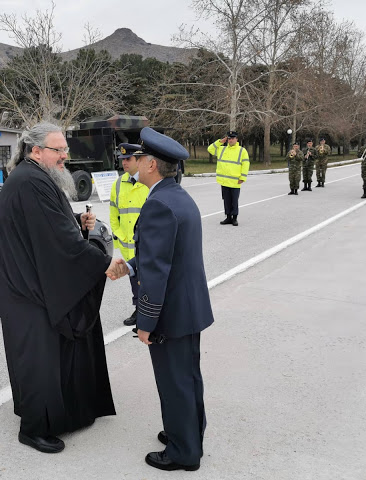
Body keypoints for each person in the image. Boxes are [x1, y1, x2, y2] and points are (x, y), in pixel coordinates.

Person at [0, 122, 118, 454]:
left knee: (47, 356)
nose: (64, 156)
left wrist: (77, 223)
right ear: (35, 150)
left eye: (65, 149)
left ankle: (56, 414)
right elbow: (56, 239)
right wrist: (102, 263)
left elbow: (43, 228)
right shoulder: (31, 181)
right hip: (26, 289)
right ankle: (33, 429)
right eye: (58, 150)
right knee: (38, 360)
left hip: (29, 281)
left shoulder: (32, 177)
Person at [112, 127, 214, 472]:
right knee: (187, 377)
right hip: (189, 307)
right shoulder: (175, 195)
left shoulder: (157, 204)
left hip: (171, 312)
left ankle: (183, 452)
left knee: (174, 382)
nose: (133, 164)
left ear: (151, 164)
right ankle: (188, 433)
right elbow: (163, 255)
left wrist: (146, 322)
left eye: (137, 158)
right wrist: (128, 265)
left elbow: (156, 275)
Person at [110, 143, 149, 326]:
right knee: (134, 281)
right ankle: (139, 310)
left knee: (149, 280)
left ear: (138, 160)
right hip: (128, 246)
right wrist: (121, 236)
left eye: (128, 159)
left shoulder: (148, 182)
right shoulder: (118, 184)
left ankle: (151, 312)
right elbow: (113, 214)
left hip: (147, 246)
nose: (124, 163)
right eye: (122, 159)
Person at [207, 131, 250, 226]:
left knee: (234, 200)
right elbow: (210, 149)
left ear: (236, 139)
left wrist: (243, 177)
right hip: (224, 181)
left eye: (232, 138)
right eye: (229, 138)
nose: (230, 140)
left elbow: (245, 164)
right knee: (226, 200)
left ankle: (234, 218)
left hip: (235, 181)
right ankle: (228, 217)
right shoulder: (222, 149)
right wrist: (220, 142)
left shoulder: (242, 151)